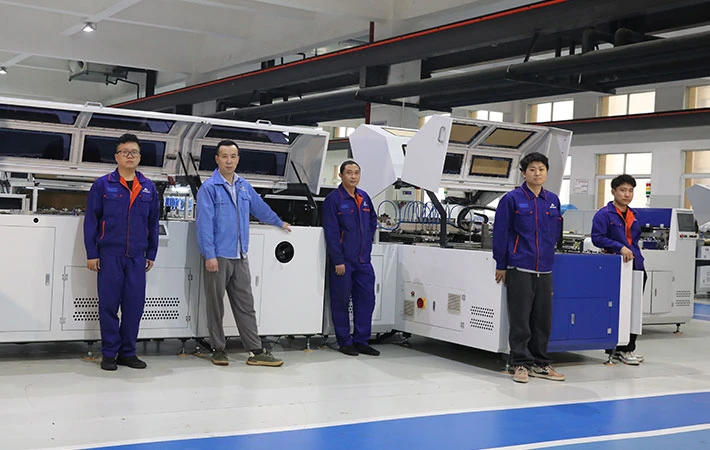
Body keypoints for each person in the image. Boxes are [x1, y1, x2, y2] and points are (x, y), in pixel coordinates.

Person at [196, 140, 290, 367]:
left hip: (240, 256)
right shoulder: (209, 188)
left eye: (233, 156)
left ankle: (256, 350)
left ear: (238, 159)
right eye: (224, 156)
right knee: (215, 305)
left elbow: (260, 208)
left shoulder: (244, 186)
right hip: (218, 256)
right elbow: (204, 224)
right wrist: (209, 255)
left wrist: (279, 222)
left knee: (246, 304)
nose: (229, 161)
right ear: (217, 159)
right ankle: (218, 349)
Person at [84, 133, 160, 371]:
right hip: (109, 255)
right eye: (125, 152)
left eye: (134, 152)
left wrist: (151, 253)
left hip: (137, 257)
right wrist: (91, 253)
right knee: (108, 306)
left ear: (139, 157)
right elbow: (91, 221)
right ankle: (109, 353)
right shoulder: (103, 185)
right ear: (116, 156)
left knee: (134, 307)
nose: (129, 156)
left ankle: (128, 353)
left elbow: (153, 223)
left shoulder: (148, 187)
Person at [493, 152, 565, 383]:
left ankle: (541, 363)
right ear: (523, 173)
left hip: (545, 269)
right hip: (519, 267)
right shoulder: (511, 199)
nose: (537, 173)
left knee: (543, 320)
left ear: (547, 172)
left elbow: (555, 232)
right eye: (532, 169)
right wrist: (501, 264)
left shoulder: (552, 200)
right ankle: (520, 364)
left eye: (541, 169)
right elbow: (500, 233)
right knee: (521, 320)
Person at [322, 160, 380, 357]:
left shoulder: (364, 197)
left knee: (366, 301)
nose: (353, 176)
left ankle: (361, 340)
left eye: (356, 172)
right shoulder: (333, 200)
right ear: (341, 175)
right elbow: (331, 232)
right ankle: (345, 342)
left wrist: (368, 244)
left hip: (363, 261)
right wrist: (338, 259)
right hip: (344, 262)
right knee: (341, 301)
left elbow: (372, 221)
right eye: (349, 172)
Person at [591, 174, 645, 365]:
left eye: (630, 190)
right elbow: (597, 238)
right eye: (623, 190)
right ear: (613, 191)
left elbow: (634, 240)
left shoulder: (634, 215)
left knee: (634, 308)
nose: (627, 194)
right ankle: (614, 348)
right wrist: (619, 247)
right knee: (617, 308)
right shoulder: (604, 214)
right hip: (615, 266)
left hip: (636, 265)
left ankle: (628, 349)